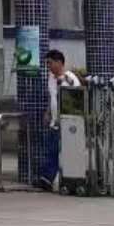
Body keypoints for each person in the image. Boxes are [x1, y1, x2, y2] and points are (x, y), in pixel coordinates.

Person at [35, 49, 81, 190]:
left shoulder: (70, 79)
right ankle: (47, 179)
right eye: (47, 63)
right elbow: (52, 96)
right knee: (51, 149)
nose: (48, 66)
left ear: (59, 62)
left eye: (50, 63)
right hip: (54, 121)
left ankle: (58, 179)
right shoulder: (51, 77)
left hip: (67, 123)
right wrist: (48, 112)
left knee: (62, 151)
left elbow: (77, 101)